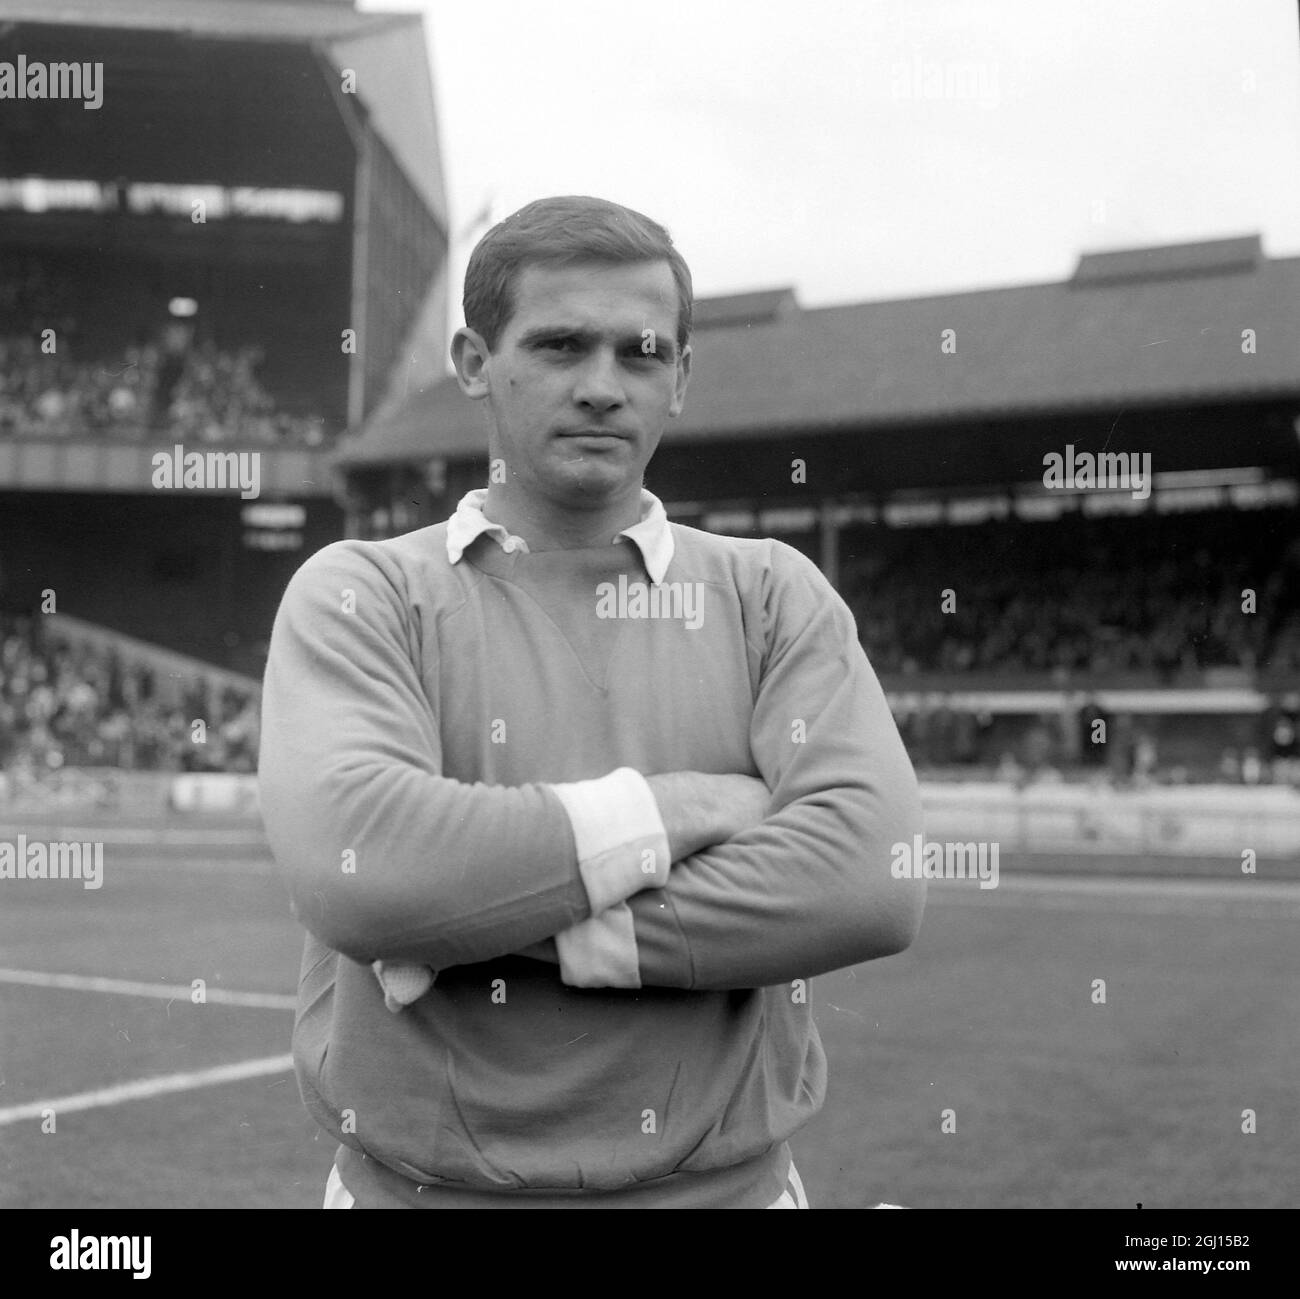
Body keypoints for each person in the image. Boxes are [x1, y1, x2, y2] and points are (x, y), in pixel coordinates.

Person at [258, 195, 925, 1209]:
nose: (603, 388)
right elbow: (364, 874)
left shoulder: (771, 594)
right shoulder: (362, 590)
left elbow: (869, 883)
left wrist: (472, 922)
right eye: (562, 346)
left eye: (642, 354)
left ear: (683, 378)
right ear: (475, 359)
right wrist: (683, 810)